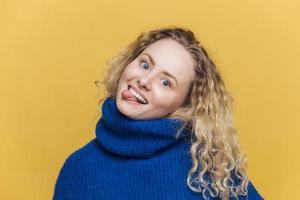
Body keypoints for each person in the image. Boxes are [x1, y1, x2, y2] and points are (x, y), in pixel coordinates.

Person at [53, 26, 264, 200]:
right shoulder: (78, 169)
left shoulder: (208, 168)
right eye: (145, 65)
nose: (143, 81)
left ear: (185, 106)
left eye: (166, 82)